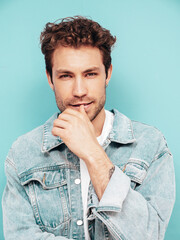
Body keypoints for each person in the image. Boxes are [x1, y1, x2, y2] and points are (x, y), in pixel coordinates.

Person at [2, 16, 175, 240]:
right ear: (50, 79)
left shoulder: (151, 145)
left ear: (108, 73)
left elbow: (149, 235)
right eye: (66, 76)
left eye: (90, 74)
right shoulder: (23, 153)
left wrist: (93, 154)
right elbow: (20, 236)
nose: (79, 90)